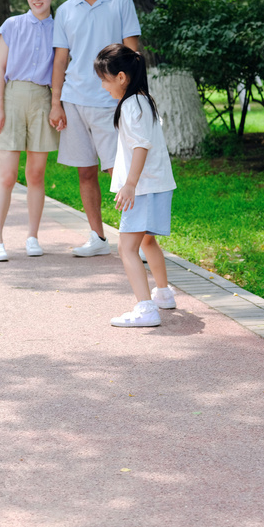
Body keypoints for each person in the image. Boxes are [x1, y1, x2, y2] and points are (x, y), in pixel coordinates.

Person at [48, 0, 141, 258]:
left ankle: (137, 240)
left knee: (119, 172)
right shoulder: (65, 11)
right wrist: (56, 102)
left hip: (111, 102)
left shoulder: (120, 2)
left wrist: (133, 96)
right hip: (74, 101)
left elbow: (133, 53)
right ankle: (98, 238)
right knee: (85, 171)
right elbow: (60, 60)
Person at [94, 44, 177, 327]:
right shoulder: (144, 100)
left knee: (126, 248)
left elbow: (141, 146)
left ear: (120, 77)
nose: (104, 87)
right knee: (146, 240)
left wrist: (129, 185)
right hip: (157, 184)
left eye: (105, 80)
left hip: (142, 188)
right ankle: (163, 294)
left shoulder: (130, 105)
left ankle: (146, 309)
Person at [0, 0, 60, 261]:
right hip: (12, 97)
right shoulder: (12, 25)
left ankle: (32, 236)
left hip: (43, 99)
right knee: (6, 175)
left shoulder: (60, 29)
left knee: (35, 174)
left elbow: (60, 70)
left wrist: (57, 104)